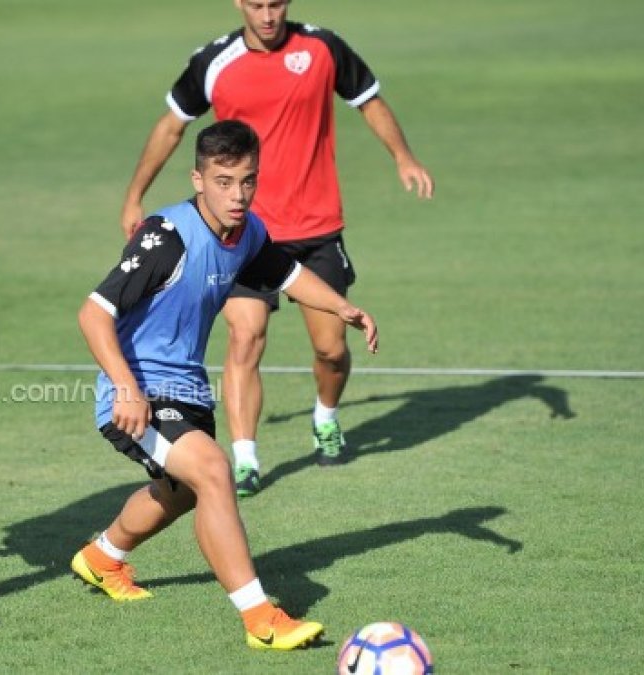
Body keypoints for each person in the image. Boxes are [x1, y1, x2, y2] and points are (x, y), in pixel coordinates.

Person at [72, 120, 378, 649]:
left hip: (188, 389)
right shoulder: (165, 236)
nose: (237, 195)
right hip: (138, 390)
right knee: (214, 471)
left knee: (181, 492)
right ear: (198, 179)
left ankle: (102, 557)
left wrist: (341, 306)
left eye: (247, 180)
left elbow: (288, 274)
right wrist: (125, 387)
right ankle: (261, 620)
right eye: (223, 181)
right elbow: (93, 313)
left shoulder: (247, 232)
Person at [120, 0, 434, 497]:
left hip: (316, 226)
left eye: (276, 3)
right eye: (257, 4)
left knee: (332, 349)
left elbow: (369, 100)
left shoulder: (323, 48)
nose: (268, 15)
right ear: (239, 4)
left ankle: (325, 416)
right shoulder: (214, 61)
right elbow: (171, 125)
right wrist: (135, 194)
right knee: (245, 337)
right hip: (243, 233)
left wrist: (404, 157)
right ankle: (246, 457)